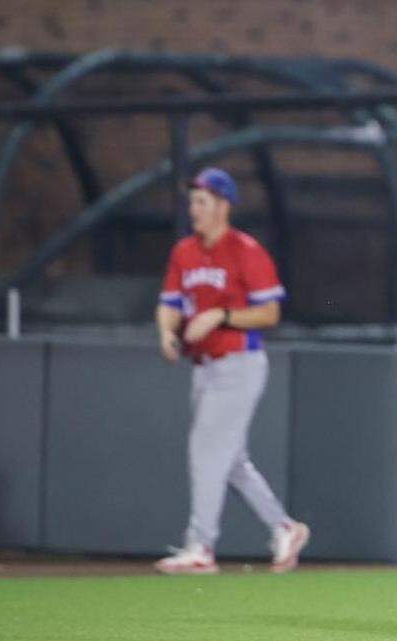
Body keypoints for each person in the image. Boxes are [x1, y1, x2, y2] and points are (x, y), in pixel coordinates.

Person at [154, 167, 309, 574]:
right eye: (192, 201)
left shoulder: (245, 250)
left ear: (224, 206)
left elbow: (270, 311)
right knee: (230, 460)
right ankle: (283, 527)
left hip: (238, 363)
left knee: (206, 452)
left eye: (202, 201)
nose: (194, 209)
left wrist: (221, 315)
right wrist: (166, 334)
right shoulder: (184, 251)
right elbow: (169, 302)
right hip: (203, 366)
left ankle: (200, 547)